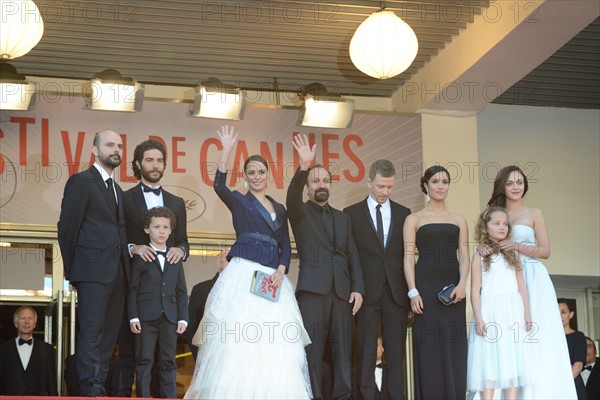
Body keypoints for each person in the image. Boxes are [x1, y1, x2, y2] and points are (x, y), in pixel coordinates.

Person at [184, 125, 311, 399]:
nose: (256, 176)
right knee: (237, 340)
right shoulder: (239, 202)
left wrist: (280, 269)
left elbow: (284, 245)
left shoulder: (279, 208)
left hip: (271, 278)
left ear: (268, 175)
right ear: (246, 176)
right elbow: (218, 185)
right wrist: (226, 151)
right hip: (242, 275)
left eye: (261, 172)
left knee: (274, 342)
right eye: (251, 172)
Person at [486, 165, 577, 399]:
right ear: (502, 187)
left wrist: (516, 246)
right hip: (507, 278)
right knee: (510, 334)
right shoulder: (495, 215)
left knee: (536, 333)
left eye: (519, 182)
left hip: (534, 278)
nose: (516, 187)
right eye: (510, 183)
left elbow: (546, 251)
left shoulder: (534, 213)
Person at [287, 133, 365, 400]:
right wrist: (303, 166)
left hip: (342, 294)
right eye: (315, 180)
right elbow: (291, 197)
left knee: (344, 352)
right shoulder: (299, 213)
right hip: (312, 292)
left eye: (326, 181)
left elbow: (352, 254)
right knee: (313, 352)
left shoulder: (344, 218)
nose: (321, 184)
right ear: (307, 187)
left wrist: (358, 289)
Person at [57, 130, 130, 396]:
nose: (116, 150)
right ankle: (89, 389)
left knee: (108, 335)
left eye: (119, 146)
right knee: (91, 332)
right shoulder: (81, 182)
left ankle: (98, 386)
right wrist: (72, 273)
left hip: (118, 274)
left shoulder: (118, 190)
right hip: (91, 272)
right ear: (94, 150)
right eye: (110, 145)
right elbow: (67, 228)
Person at [116, 138, 189, 396]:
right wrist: (133, 248)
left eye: (159, 160)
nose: (155, 165)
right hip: (134, 288)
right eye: (149, 160)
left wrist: (181, 250)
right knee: (133, 353)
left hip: (166, 294)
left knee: (167, 359)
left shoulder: (177, 202)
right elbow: (119, 238)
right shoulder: (123, 199)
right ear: (138, 164)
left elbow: (183, 241)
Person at [343, 159, 411, 400]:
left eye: (390, 187)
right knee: (365, 352)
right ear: (369, 182)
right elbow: (349, 257)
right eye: (381, 186)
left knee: (395, 354)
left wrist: (411, 292)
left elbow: (408, 256)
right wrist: (355, 289)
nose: (385, 192)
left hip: (396, 293)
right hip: (365, 293)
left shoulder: (405, 214)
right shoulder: (350, 214)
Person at [403, 165, 470, 399]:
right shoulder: (414, 219)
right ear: (425, 185)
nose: (440, 186)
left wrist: (462, 284)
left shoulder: (459, 219)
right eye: (435, 182)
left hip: (454, 291)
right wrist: (413, 292)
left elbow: (464, 256)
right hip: (425, 289)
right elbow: (408, 259)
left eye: (445, 182)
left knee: (454, 346)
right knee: (429, 348)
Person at [467, 207, 532, 400]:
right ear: (486, 227)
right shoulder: (480, 255)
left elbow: (522, 287)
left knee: (511, 359)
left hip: (512, 310)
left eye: (505, 224)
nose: (502, 227)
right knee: (490, 361)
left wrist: (527, 313)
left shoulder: (513, 253)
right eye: (497, 223)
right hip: (490, 310)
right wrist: (478, 317)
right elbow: (475, 288)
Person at [128, 207, 188, 398]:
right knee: (145, 360)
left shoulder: (175, 256)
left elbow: (181, 290)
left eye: (165, 227)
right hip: (145, 316)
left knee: (168, 361)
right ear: (147, 229)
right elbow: (133, 289)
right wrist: (133, 316)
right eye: (156, 227)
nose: (161, 231)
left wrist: (183, 318)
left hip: (170, 317)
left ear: (171, 231)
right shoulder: (141, 255)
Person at [0, 306, 57, 396]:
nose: (26, 322)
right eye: (23, 318)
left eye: (30, 318)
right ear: (16, 323)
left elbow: (51, 383)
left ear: (34, 324)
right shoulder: (3, 349)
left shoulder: (47, 349)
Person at [185, 248, 229, 360]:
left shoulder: (244, 292)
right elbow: (191, 328)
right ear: (219, 262)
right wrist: (199, 358)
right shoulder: (200, 289)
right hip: (207, 357)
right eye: (229, 258)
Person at [558, 299, 587, 399]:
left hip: (572, 385)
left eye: (564, 312)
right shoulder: (550, 338)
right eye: (556, 312)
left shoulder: (578, 336)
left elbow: (578, 366)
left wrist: (562, 385)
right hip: (553, 384)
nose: (560, 315)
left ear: (571, 314)